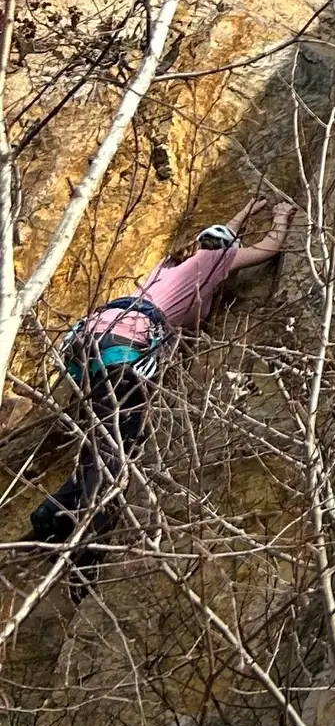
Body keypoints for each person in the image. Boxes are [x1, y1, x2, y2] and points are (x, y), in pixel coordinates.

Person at [29, 196, 293, 577]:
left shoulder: (166, 267)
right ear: (224, 252)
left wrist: (247, 210)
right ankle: (83, 553)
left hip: (91, 346)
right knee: (118, 452)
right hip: (124, 351)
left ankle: (50, 515)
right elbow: (267, 248)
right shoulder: (209, 261)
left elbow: (218, 237)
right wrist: (281, 217)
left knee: (100, 443)